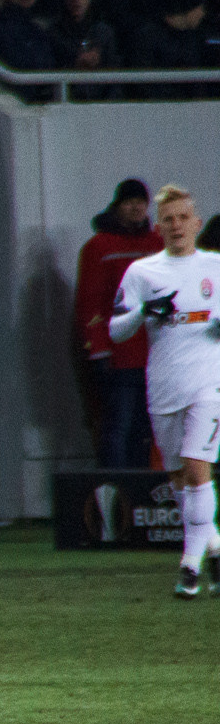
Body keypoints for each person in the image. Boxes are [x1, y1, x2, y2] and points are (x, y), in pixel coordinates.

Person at [109, 185, 220, 597]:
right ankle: (214, 545)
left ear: (196, 222)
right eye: (168, 219)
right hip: (164, 386)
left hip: (210, 384)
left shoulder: (215, 267)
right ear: (158, 227)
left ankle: (189, 570)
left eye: (183, 218)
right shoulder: (143, 273)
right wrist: (142, 311)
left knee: (196, 467)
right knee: (179, 477)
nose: (176, 226)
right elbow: (116, 331)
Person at [77, 180, 164, 467]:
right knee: (117, 429)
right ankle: (115, 496)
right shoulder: (98, 247)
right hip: (120, 357)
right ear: (118, 205)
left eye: (141, 201)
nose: (136, 207)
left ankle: (137, 498)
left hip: (155, 355)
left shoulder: (158, 243)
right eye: (130, 202)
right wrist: (98, 349)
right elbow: (91, 301)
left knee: (145, 432)